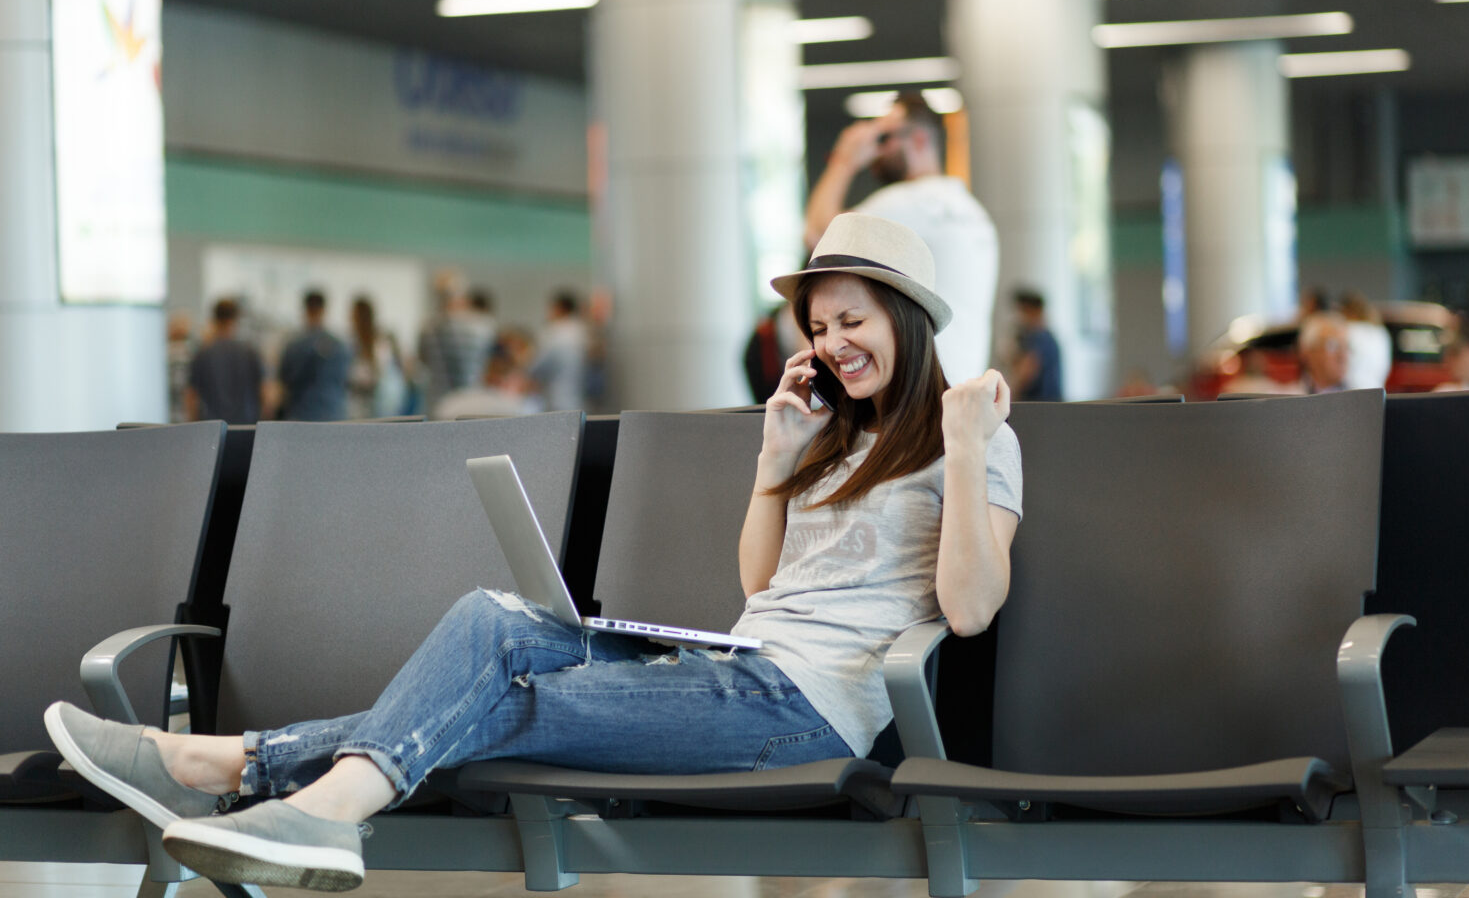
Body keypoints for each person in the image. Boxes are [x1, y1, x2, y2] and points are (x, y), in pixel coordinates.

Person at [41, 212, 1023, 892]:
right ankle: (256, 777)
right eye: (819, 325)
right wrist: (776, 457)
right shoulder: (829, 440)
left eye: (853, 319)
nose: (835, 341)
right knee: (493, 623)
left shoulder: (972, 434)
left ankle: (238, 770)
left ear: (907, 318)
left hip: (807, 714)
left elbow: (971, 606)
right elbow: (761, 588)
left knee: (490, 689)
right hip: (733, 670)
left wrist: (969, 441)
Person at [805, 92, 998, 382]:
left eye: (884, 138)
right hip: (962, 386)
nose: (876, 150)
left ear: (919, 139)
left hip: (922, 393)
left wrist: (844, 160)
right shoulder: (972, 211)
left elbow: (818, 238)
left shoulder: (913, 202)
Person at [416, 270, 497, 415]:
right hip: (472, 399)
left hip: (439, 402)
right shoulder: (483, 326)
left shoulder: (427, 328)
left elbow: (423, 359)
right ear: (464, 296)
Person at [185, 298, 264, 424]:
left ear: (214, 319)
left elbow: (192, 396)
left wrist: (193, 425)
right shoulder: (250, 352)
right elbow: (264, 391)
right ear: (236, 319)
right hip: (247, 427)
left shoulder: (203, 353)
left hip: (212, 427)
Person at [277, 290, 350, 422]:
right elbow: (345, 381)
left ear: (305, 310)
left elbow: (284, 381)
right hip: (334, 415)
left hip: (301, 416)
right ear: (324, 310)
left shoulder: (294, 346)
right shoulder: (340, 346)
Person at [528, 290, 590, 413]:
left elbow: (538, 365)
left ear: (559, 309)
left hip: (557, 398)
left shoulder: (555, 332)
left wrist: (524, 366)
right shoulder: (581, 331)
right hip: (578, 397)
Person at [345, 297, 406, 420]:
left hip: (379, 404)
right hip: (363, 404)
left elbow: (377, 374)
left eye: (353, 315)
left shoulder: (379, 342)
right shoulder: (354, 343)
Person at [1007, 289, 1062, 401]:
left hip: (1040, 407)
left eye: (1023, 310)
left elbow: (1026, 374)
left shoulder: (1041, 339)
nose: (1020, 316)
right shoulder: (1040, 337)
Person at [1339, 292, 1392, 390]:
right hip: (1377, 390)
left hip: (1351, 390)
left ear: (1347, 311)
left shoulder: (1348, 330)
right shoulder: (1381, 332)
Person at [1297, 312, 1351, 394]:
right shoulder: (1285, 397)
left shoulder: (1363, 397)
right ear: (1307, 352)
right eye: (1333, 346)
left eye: (1345, 346)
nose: (1342, 356)